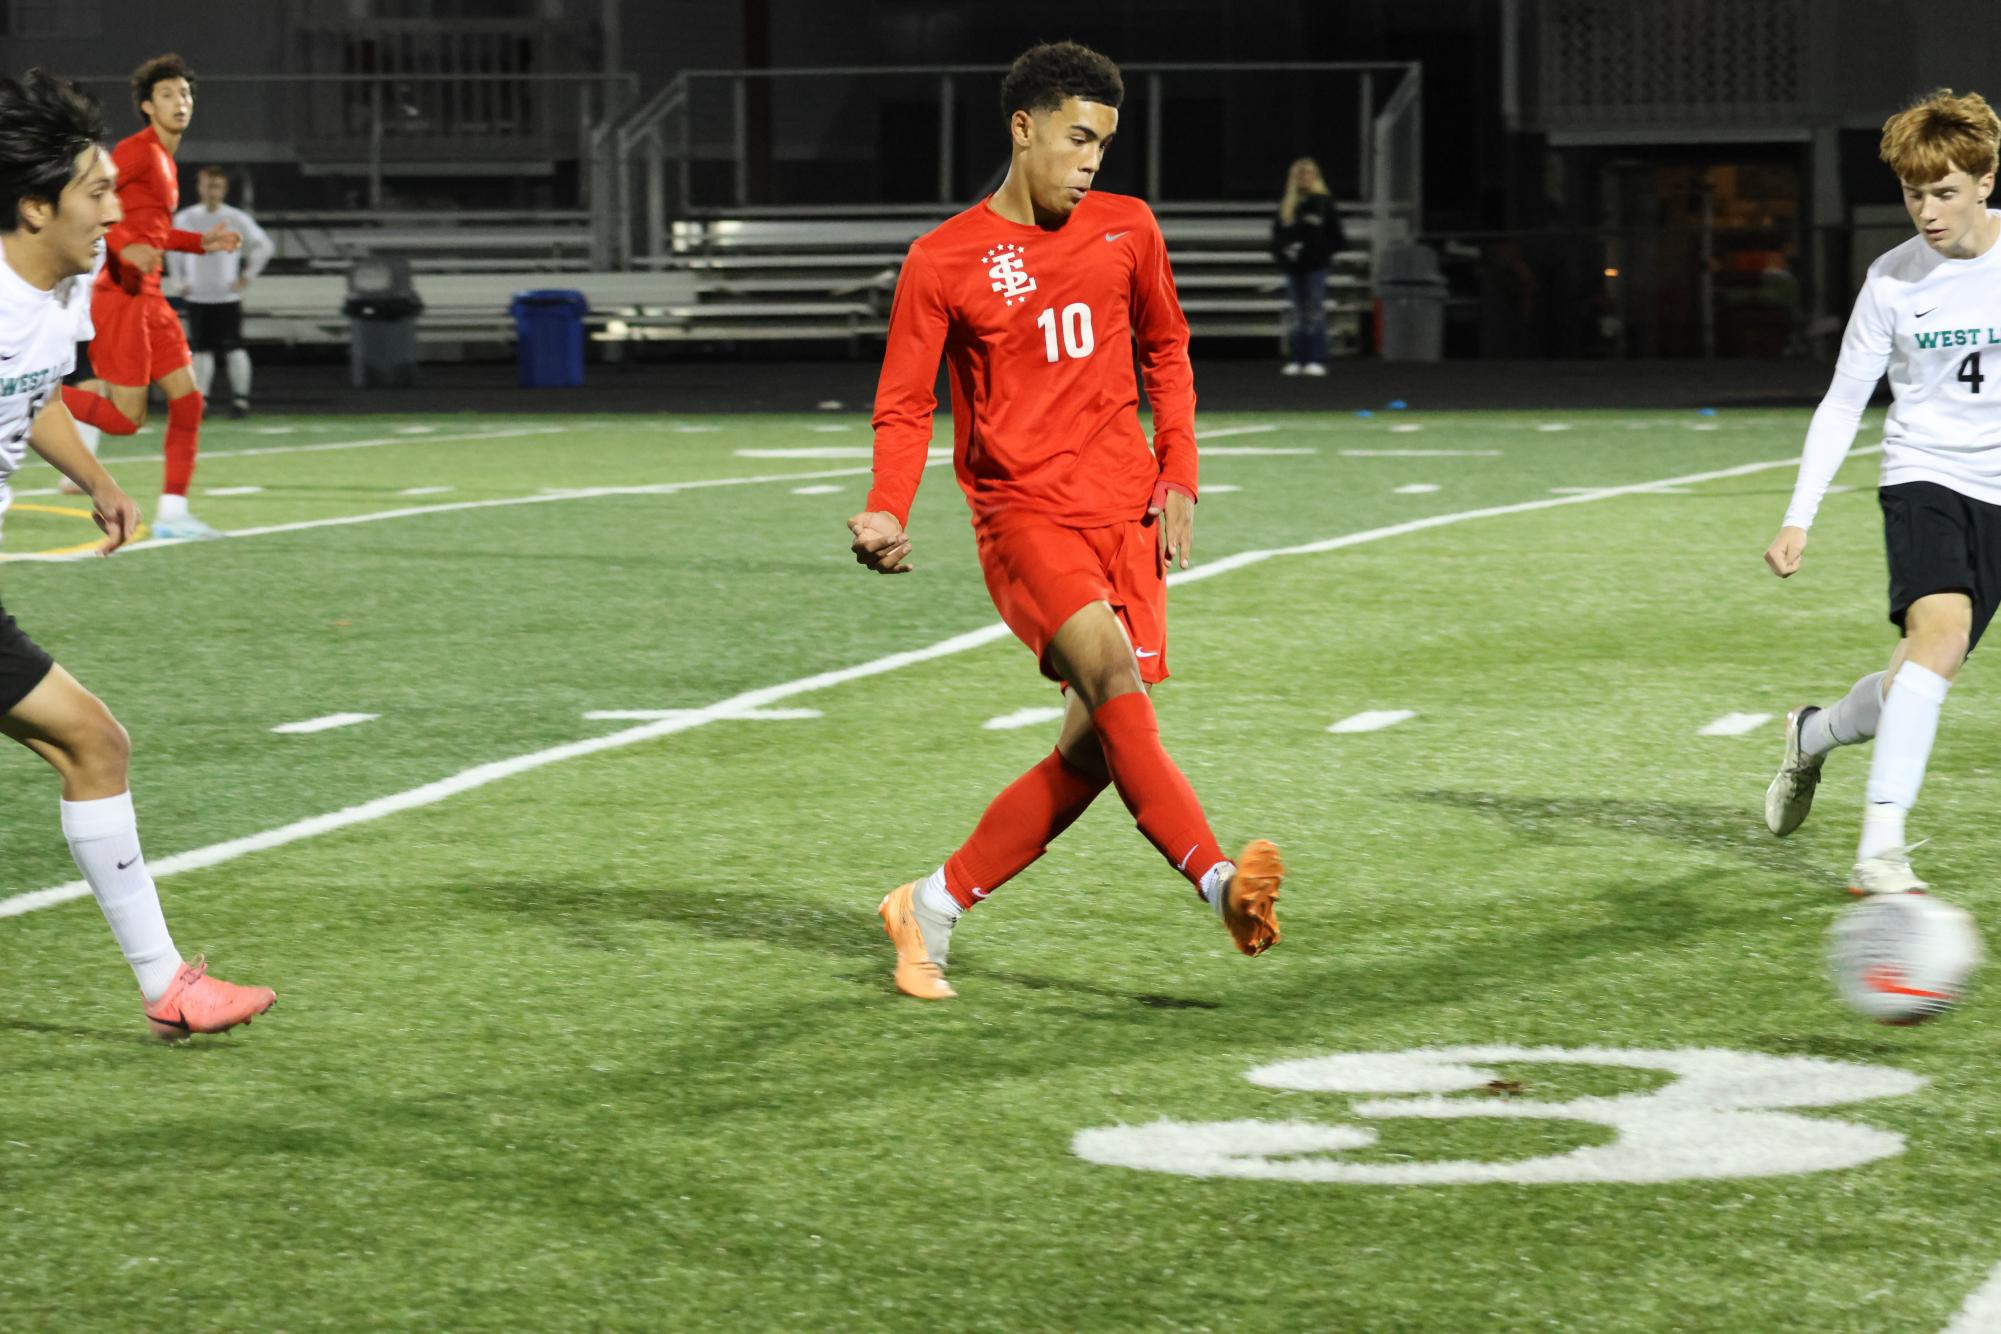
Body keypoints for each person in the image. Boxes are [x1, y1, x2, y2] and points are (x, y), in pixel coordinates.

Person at [848, 41, 1284, 1001]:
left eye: (1104, 146)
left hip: (1124, 513)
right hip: (1024, 517)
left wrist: (1180, 473)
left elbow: (1167, 351)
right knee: (1114, 677)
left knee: (1092, 753)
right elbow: (903, 402)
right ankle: (1216, 882)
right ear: (1024, 126)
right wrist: (887, 506)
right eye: (1078, 139)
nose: (1092, 162)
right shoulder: (943, 258)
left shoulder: (1128, 229)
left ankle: (928, 904)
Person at [0, 68, 274, 1037]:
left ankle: (170, 986)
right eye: (97, 191)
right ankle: (166, 983)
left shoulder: (65, 293)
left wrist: (101, 482)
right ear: (36, 207)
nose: (115, 204)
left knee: (95, 743)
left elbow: (30, 400)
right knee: (96, 740)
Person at [1764, 88, 2001, 896]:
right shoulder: (1891, 282)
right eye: (1912, 194)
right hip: (1923, 476)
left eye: (1942, 192)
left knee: (1914, 681)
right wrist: (1799, 516)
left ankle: (1813, 732)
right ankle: (1880, 851)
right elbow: (1841, 401)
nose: (1926, 212)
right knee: (1937, 638)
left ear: (1985, 180)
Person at [57, 53, 240, 541]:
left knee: (188, 401)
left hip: (151, 297)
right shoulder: (138, 152)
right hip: (120, 296)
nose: (179, 102)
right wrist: (121, 245)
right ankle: (34, 397)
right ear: (146, 105)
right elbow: (87, 198)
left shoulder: (165, 160)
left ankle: (174, 513)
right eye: (167, 94)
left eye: (184, 93)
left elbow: (150, 233)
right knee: (124, 421)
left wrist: (201, 243)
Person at [168, 164, 271, 418]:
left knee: (233, 348)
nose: (213, 191)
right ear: (199, 187)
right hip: (198, 295)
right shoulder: (186, 218)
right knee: (201, 349)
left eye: (217, 186)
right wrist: (178, 280)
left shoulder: (236, 218)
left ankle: (240, 400)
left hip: (226, 296)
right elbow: (172, 248)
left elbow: (264, 246)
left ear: (224, 189)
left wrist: (246, 277)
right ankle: (200, 400)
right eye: (208, 185)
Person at [1271, 156, 1341, 376]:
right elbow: (1277, 238)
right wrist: (1285, 255)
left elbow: (1337, 237)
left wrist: (1318, 254)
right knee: (1296, 313)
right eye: (1300, 174)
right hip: (1294, 268)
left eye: (1309, 174)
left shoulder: (1324, 203)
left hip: (1315, 267)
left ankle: (1315, 358)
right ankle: (1298, 358)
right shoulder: (1287, 205)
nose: (1304, 178)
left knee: (1314, 312)